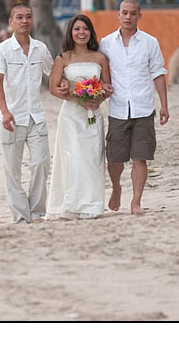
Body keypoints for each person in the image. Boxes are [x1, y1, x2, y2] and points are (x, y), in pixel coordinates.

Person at [0, 3, 68, 223]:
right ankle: (20, 216)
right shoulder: (1, 50)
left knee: (41, 163)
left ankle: (37, 212)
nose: (24, 21)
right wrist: (4, 112)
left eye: (28, 17)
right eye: (19, 17)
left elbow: (52, 73)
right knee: (12, 171)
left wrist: (65, 84)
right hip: (11, 118)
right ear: (11, 21)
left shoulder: (40, 48)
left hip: (36, 116)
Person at [99, 0, 170, 215]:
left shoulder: (150, 42)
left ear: (140, 15)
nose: (128, 17)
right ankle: (117, 188)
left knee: (141, 156)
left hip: (143, 108)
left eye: (132, 13)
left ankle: (136, 201)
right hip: (118, 108)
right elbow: (100, 73)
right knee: (115, 157)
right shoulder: (106, 43)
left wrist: (164, 105)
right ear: (118, 15)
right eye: (124, 13)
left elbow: (158, 73)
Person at [47, 14, 111, 220]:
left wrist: (97, 100)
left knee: (92, 159)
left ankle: (92, 206)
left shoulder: (100, 58)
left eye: (85, 29)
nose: (81, 33)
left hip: (93, 115)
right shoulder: (63, 59)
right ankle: (70, 206)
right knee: (73, 159)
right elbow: (53, 89)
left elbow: (107, 87)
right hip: (71, 116)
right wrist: (78, 99)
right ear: (70, 33)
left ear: (91, 32)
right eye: (77, 29)